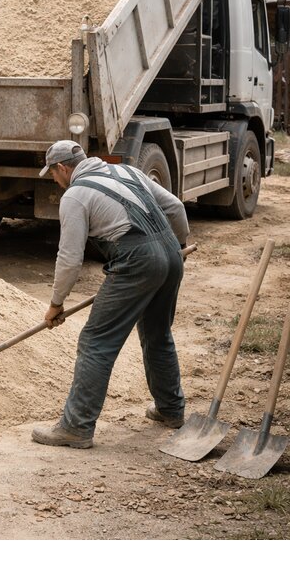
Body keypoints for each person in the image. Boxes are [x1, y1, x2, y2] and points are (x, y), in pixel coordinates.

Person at [31, 139, 190, 449]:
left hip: (137, 261)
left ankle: (76, 427)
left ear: (63, 168)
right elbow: (176, 207)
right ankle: (171, 410)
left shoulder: (75, 195)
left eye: (52, 173)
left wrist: (56, 304)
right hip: (171, 254)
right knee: (157, 334)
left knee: (95, 342)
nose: (53, 179)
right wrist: (180, 248)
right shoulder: (128, 172)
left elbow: (70, 258)